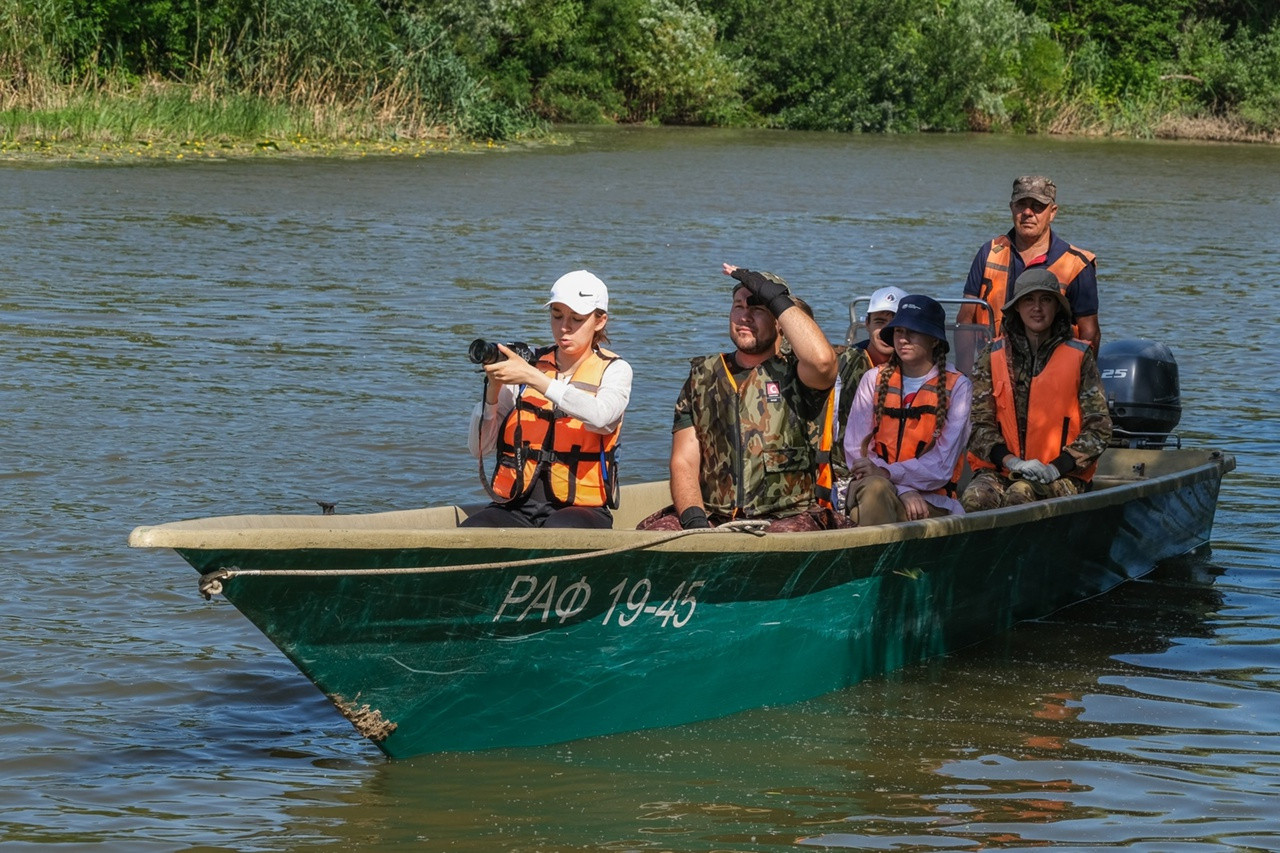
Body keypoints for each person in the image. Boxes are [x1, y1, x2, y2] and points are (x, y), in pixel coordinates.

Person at [636, 263, 846, 532]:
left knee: (781, 538)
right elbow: (684, 461)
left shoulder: (799, 373)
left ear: (779, 322)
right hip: (714, 514)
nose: (744, 316)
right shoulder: (702, 377)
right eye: (738, 306)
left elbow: (823, 362)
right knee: (656, 533)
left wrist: (774, 297)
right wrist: (695, 520)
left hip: (787, 515)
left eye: (757, 308)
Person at [463, 270, 632, 528]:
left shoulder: (616, 370)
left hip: (581, 510)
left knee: (557, 532)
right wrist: (494, 390)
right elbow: (479, 449)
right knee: (471, 532)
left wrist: (534, 378)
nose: (564, 327)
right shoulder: (526, 365)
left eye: (576, 319)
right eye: (556, 316)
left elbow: (601, 416)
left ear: (599, 321)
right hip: (516, 506)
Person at [961, 268, 1113, 511]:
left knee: (1022, 494)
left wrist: (1057, 467)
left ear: (1057, 308)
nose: (1037, 308)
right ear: (1017, 308)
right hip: (1005, 469)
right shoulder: (991, 354)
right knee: (975, 498)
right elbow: (977, 425)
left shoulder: (1080, 356)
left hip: (1063, 474)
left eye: (1046, 300)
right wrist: (1013, 463)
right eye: (1028, 300)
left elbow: (1099, 428)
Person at [840, 295, 972, 525]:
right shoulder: (873, 379)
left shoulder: (959, 387)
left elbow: (942, 466)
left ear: (934, 340)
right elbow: (856, 454)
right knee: (875, 490)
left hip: (933, 501)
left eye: (914, 331)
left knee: (874, 497)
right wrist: (900, 488)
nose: (903, 339)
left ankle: (876, 557)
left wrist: (891, 477)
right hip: (874, 487)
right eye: (899, 331)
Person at [956, 175, 1101, 353]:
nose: (1027, 212)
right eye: (1021, 205)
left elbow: (1090, 333)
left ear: (1053, 212)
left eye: (1037, 206)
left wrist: (1083, 379)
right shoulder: (989, 253)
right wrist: (965, 377)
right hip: (993, 367)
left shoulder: (1078, 264)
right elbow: (965, 320)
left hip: (1052, 371)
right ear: (1011, 208)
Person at [828, 285, 908, 507]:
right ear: (867, 324)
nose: (886, 332)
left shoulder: (917, 370)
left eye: (895, 325)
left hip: (900, 471)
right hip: (848, 471)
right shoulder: (846, 364)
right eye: (880, 322)